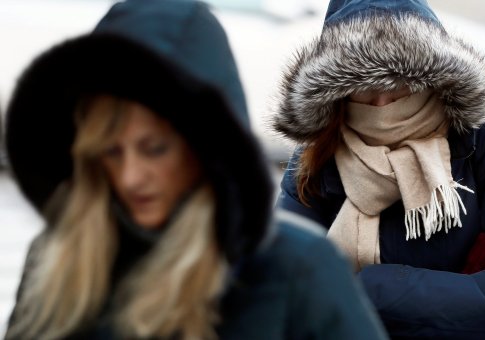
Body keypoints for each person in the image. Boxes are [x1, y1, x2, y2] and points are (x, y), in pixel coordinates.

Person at [3, 0, 388, 338]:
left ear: (206, 146)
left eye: (154, 149)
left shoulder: (295, 269)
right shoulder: (56, 259)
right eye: (111, 152)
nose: (130, 176)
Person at [273, 0, 485, 338]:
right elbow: (283, 285)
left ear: (431, 77)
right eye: (363, 85)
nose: (382, 103)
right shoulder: (317, 155)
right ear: (337, 90)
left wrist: (369, 287)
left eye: (398, 82)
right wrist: (458, 293)